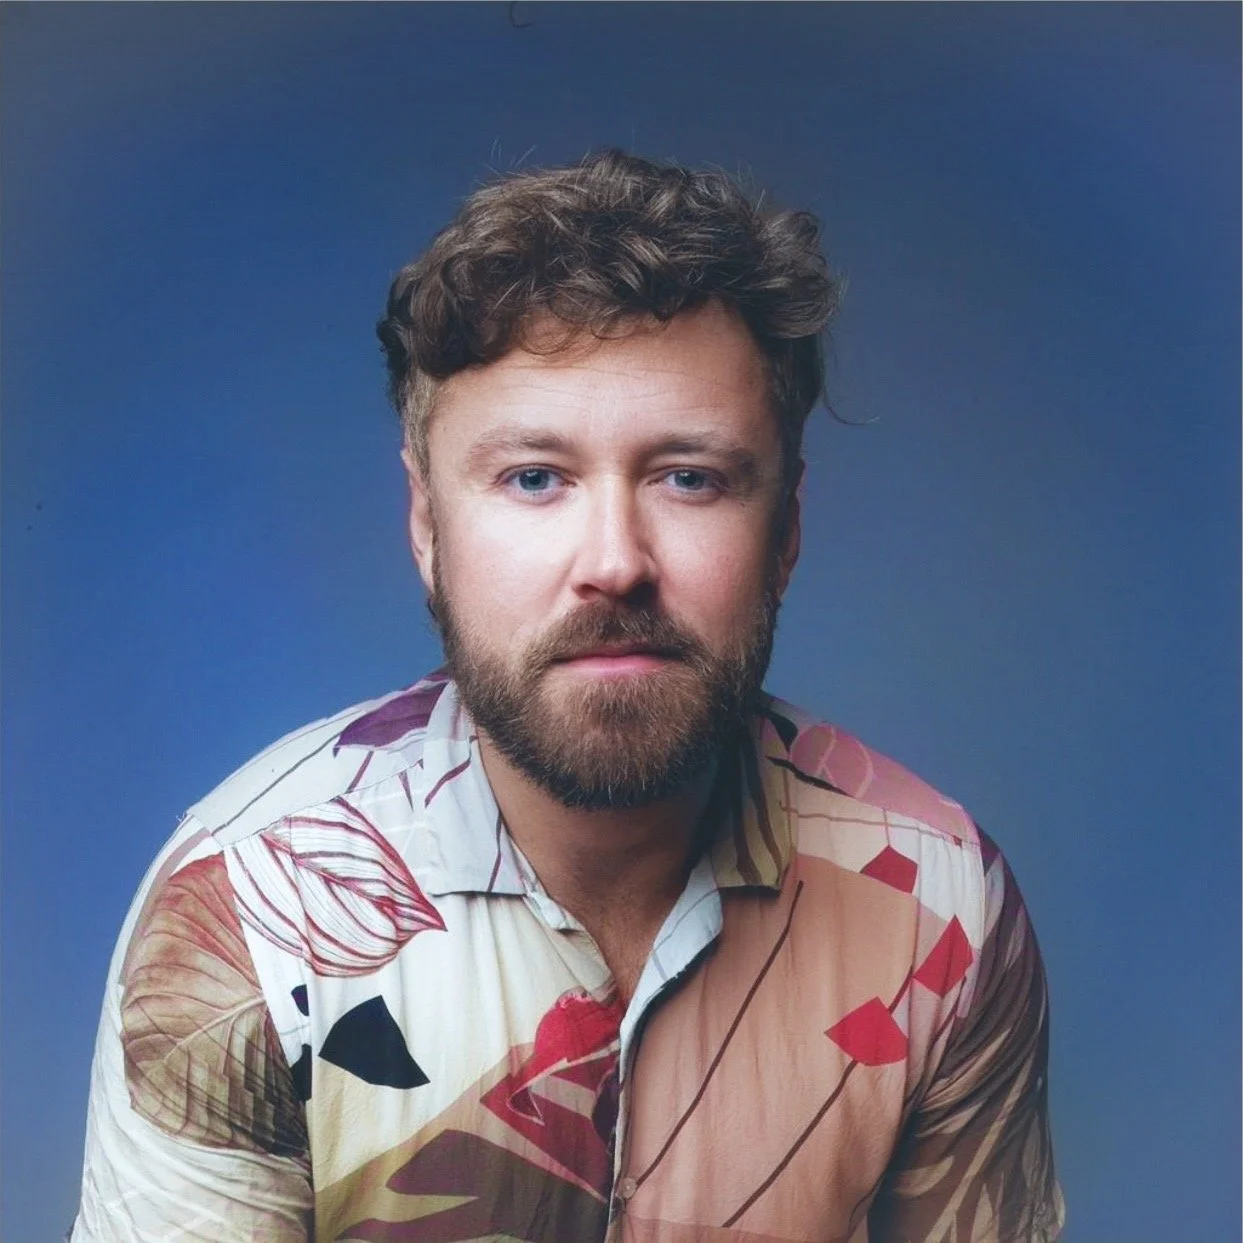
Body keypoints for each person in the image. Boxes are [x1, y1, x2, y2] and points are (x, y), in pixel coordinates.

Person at [72, 150, 1064, 1242]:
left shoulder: (940, 903)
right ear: (427, 526)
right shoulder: (248, 909)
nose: (614, 562)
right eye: (534, 477)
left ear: (784, 530)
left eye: (688, 477)